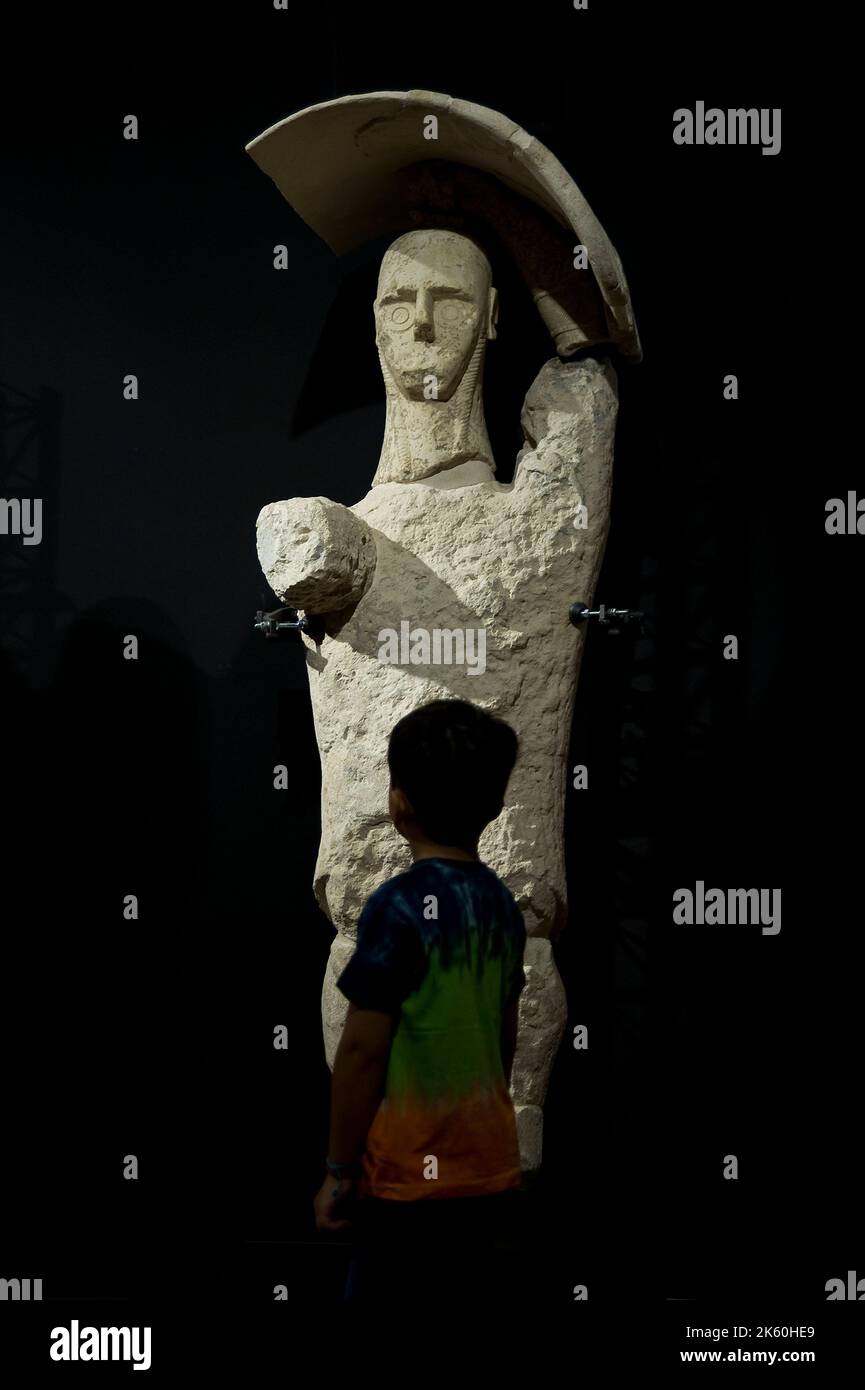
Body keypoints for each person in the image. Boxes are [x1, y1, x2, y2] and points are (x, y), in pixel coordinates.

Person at [312, 697, 528, 1305]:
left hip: (407, 1178)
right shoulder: (501, 909)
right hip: (489, 1170)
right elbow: (503, 1036)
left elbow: (360, 1052)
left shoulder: (398, 907)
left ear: (399, 803)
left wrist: (338, 1169)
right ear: (491, 806)